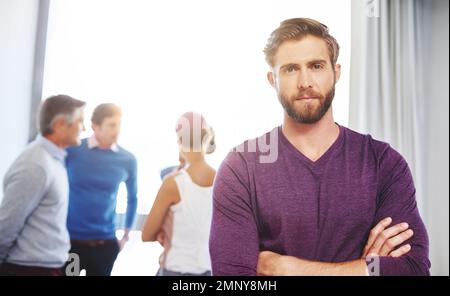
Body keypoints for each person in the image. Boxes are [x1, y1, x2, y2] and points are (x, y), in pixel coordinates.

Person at [209, 18, 430, 276]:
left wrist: (286, 267)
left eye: (316, 66)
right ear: (273, 80)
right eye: (290, 69)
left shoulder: (383, 162)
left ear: (336, 72)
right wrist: (365, 269)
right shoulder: (241, 167)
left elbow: (412, 268)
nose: (305, 81)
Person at [0, 95, 86, 276]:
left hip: (46, 266)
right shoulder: (35, 164)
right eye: (80, 121)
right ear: (61, 124)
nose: (83, 128)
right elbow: (8, 223)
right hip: (28, 269)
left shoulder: (53, 159)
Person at [65, 103, 138, 276]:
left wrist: (125, 236)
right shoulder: (73, 150)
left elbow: (132, 198)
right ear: (95, 126)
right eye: (112, 125)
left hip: (105, 246)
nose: (117, 130)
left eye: (119, 124)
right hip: (71, 245)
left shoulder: (127, 159)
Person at [142, 112, 216, 276]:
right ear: (207, 138)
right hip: (208, 270)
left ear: (179, 141)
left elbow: (147, 234)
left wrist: (164, 231)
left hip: (176, 269)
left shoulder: (173, 182)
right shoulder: (222, 181)